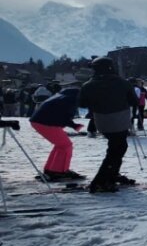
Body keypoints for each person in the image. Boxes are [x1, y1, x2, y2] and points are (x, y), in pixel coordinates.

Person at [78, 57, 138, 193]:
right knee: (117, 149)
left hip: (101, 121)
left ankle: (112, 174)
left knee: (116, 147)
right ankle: (101, 181)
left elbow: (82, 104)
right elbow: (134, 101)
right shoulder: (122, 82)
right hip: (120, 120)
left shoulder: (88, 85)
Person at [29, 84, 84, 181]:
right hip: (45, 123)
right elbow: (63, 115)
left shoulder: (62, 96)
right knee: (65, 145)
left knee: (60, 145)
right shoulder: (71, 100)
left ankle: (50, 170)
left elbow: (60, 114)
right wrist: (73, 125)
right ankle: (59, 172)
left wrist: (73, 125)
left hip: (39, 121)